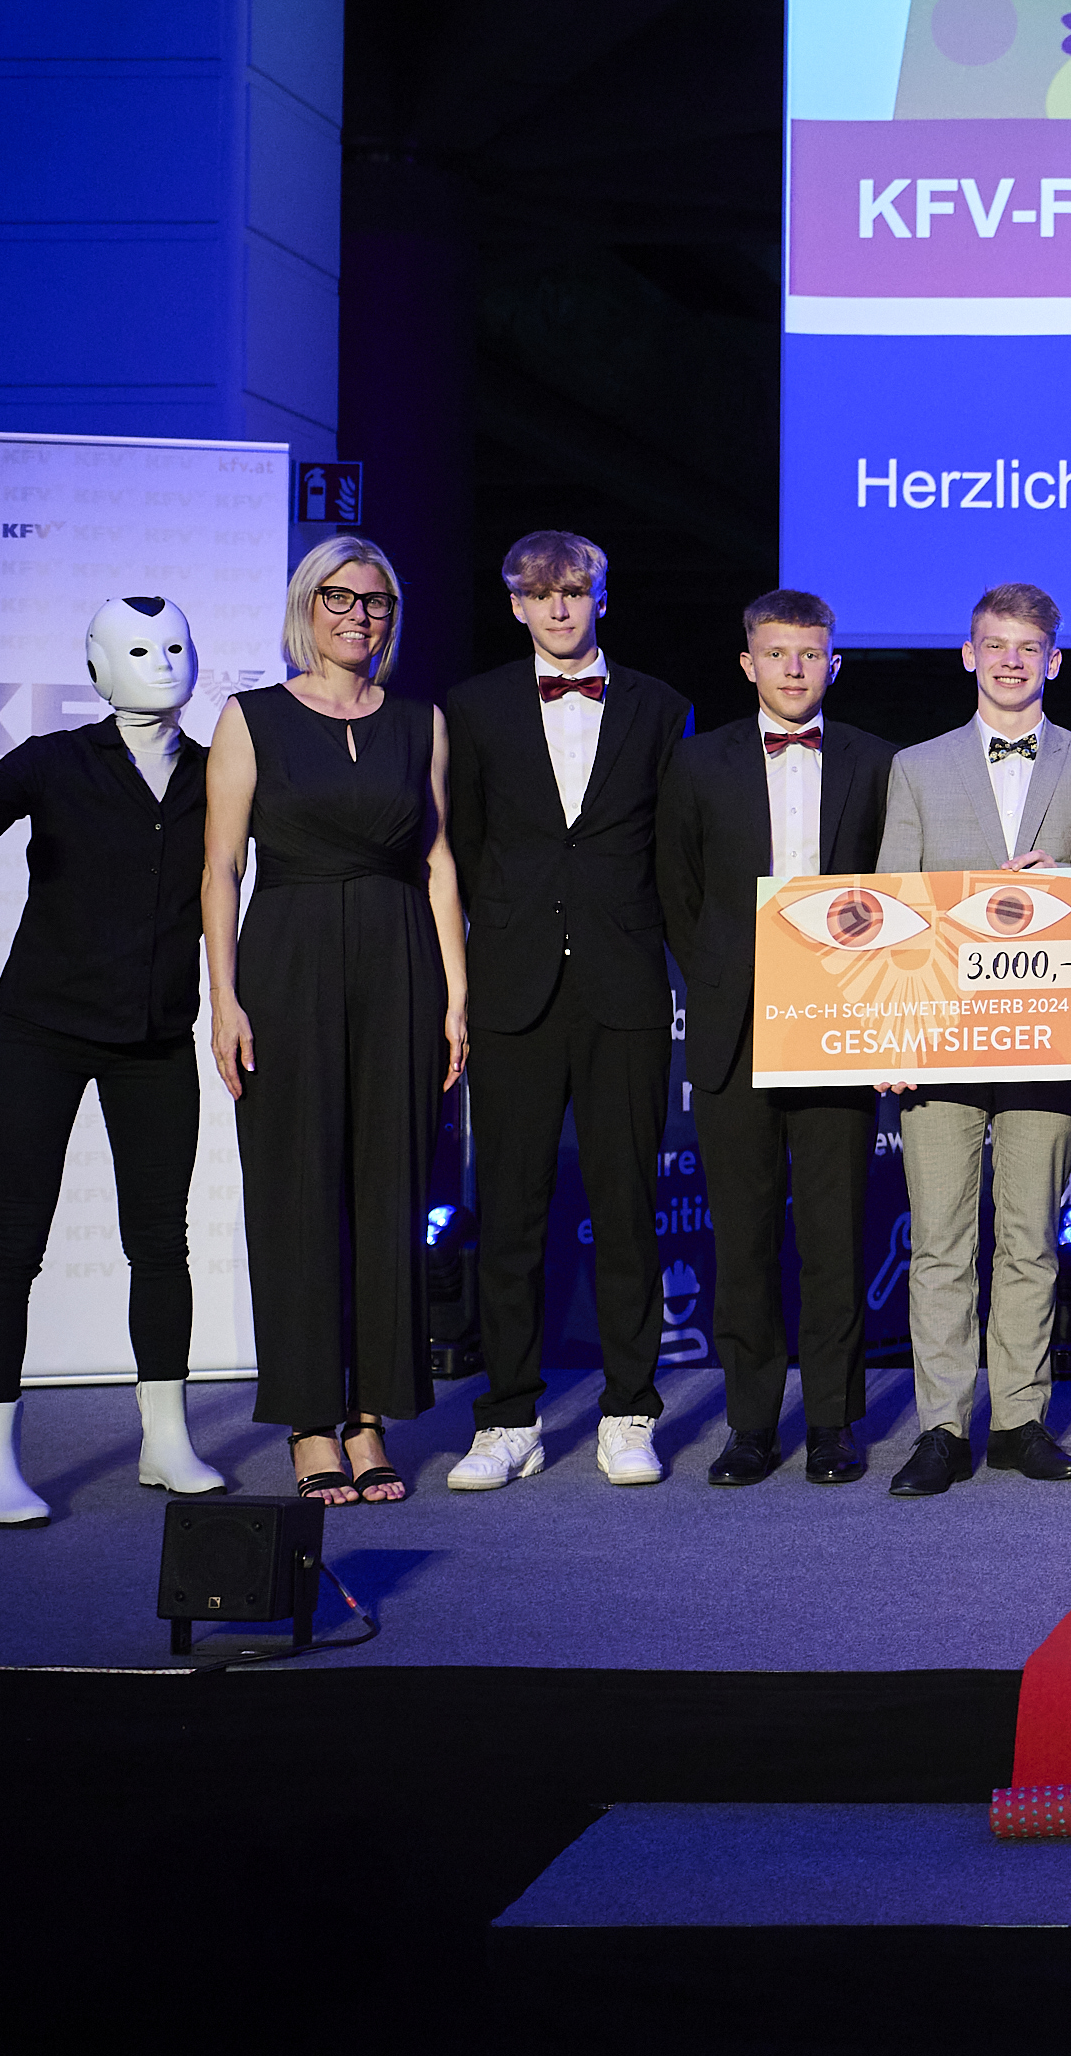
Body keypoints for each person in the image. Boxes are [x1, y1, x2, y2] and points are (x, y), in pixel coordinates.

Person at [0, 597, 224, 1524]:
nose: (161, 663)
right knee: (12, 1241)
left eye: (175, 646)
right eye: (140, 648)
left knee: (161, 1241)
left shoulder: (217, 771)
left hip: (155, 1036)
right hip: (41, 1029)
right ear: (97, 666)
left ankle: (165, 1440)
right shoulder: (53, 760)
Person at [202, 538, 469, 1506]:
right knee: (295, 1190)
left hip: (401, 962)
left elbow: (436, 860)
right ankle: (311, 1418)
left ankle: (370, 1416)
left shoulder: (420, 722)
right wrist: (225, 998)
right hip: (288, 960)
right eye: (341, 597)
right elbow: (222, 866)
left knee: (390, 1193)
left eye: (378, 601)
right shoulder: (251, 716)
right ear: (306, 606)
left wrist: (456, 995)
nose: (360, 614)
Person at [442, 532, 691, 1494]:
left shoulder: (660, 706)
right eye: (539, 593)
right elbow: (463, 850)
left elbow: (674, 852)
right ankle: (509, 1418)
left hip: (625, 988)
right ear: (514, 604)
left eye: (574, 591)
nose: (558, 608)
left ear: (600, 598)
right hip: (514, 989)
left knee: (628, 1208)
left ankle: (629, 1412)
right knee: (510, 1214)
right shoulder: (473, 707)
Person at [872, 581, 1071, 1497]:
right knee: (939, 1242)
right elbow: (894, 904)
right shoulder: (916, 766)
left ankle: (1018, 1419)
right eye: (996, 644)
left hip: (1047, 1034)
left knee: (1031, 1239)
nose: (1012, 661)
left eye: (1028, 646)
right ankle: (941, 1427)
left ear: (1055, 659)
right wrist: (892, 1034)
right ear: (969, 654)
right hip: (939, 1036)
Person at [657, 591, 897, 1489]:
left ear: (833, 663)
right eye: (777, 653)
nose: (794, 669)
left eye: (810, 654)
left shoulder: (877, 760)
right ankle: (750, 1425)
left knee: (835, 1237)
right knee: (744, 1241)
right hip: (736, 1032)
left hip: (839, 1029)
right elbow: (678, 892)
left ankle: (834, 1421)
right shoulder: (695, 762)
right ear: (747, 662)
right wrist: (727, 982)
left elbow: (896, 889)